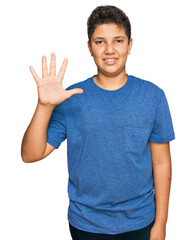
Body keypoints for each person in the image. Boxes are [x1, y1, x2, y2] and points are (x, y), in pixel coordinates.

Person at [21, 5, 175, 240]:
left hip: (141, 221)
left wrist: (161, 223)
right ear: (89, 47)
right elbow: (31, 154)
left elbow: (162, 163)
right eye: (100, 41)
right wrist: (44, 106)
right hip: (86, 224)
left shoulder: (152, 96)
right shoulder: (70, 97)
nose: (110, 50)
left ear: (130, 45)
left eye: (118, 41)